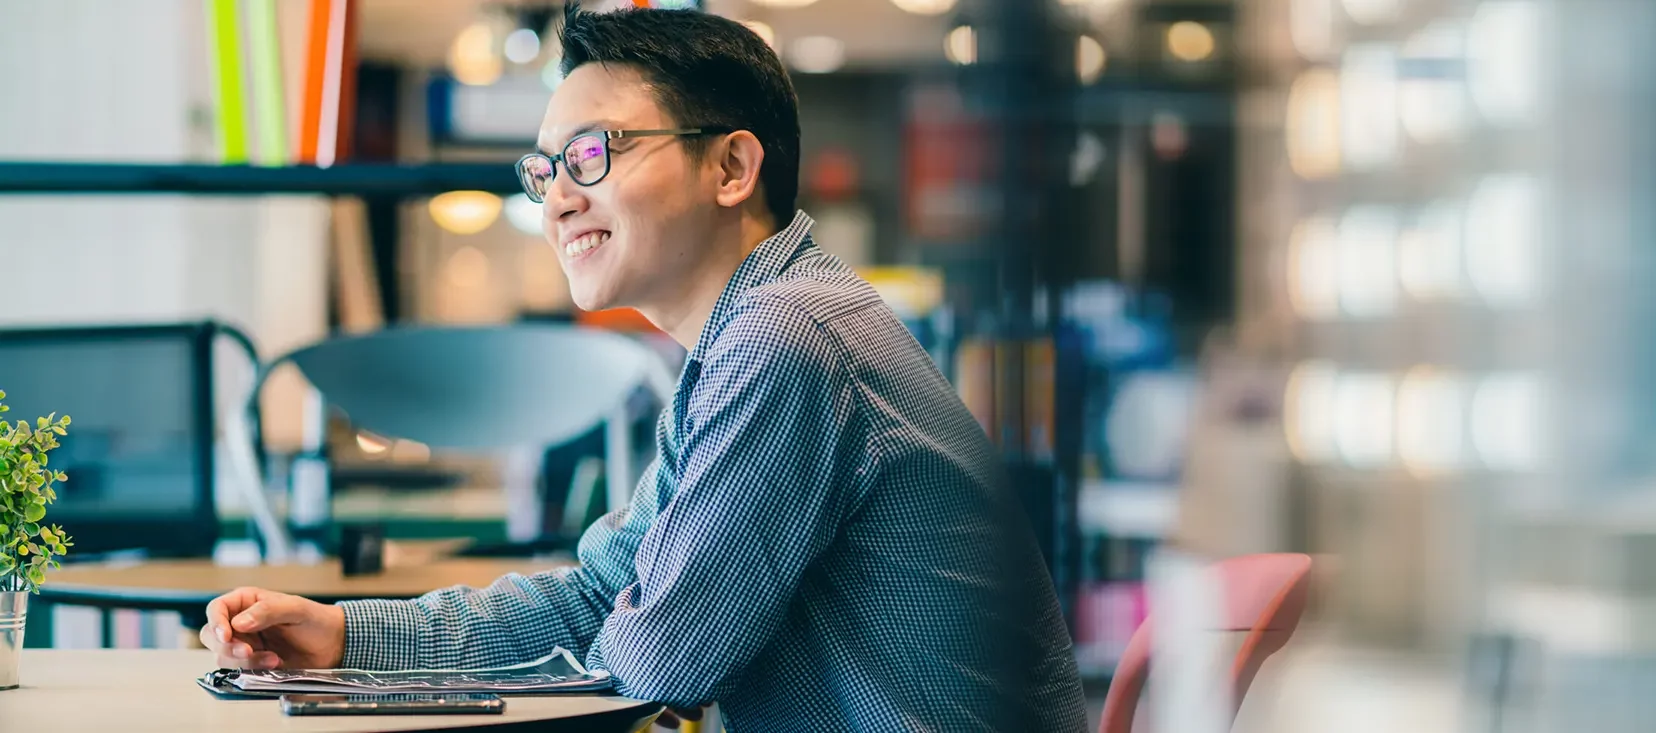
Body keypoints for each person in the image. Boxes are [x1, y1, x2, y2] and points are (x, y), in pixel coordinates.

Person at [198, 6, 1085, 731]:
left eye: (594, 154)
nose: (557, 199)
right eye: (544, 169)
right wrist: (346, 633)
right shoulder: (750, 333)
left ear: (733, 165)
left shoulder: (788, 339)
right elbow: (600, 596)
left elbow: (658, 659)